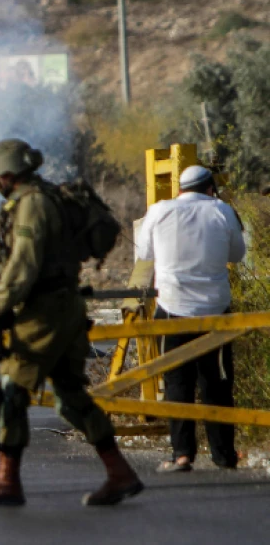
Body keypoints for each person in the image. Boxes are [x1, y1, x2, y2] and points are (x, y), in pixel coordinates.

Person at [0, 139, 143, 508]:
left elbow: (24, 265)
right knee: (71, 397)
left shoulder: (32, 205)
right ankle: (119, 472)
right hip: (65, 307)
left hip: (42, 314)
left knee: (10, 390)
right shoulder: (47, 197)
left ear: (8, 175)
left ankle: (7, 480)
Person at [136, 165, 246, 473]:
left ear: (180, 188)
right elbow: (237, 254)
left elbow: (144, 253)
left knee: (176, 382)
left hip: (171, 308)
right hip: (215, 310)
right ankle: (224, 455)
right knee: (218, 382)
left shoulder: (159, 210)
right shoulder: (222, 210)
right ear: (210, 187)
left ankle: (182, 455)